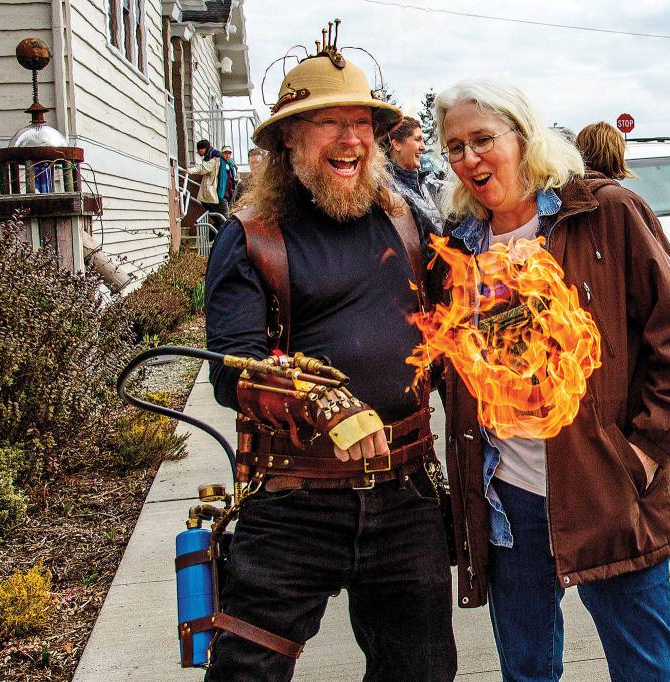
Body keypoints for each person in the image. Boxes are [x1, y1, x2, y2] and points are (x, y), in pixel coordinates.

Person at [434, 78, 670, 681]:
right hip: (507, 501)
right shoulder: (459, 246)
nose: (469, 158)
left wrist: (637, 454)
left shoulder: (604, 213)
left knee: (646, 670)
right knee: (528, 671)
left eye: (483, 139)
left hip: (606, 489)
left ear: (524, 136)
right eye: (454, 146)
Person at [203, 37, 457, 681]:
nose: (351, 140)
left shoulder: (407, 221)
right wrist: (318, 400)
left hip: (407, 494)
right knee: (245, 672)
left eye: (362, 123)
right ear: (288, 140)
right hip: (294, 498)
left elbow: (460, 321)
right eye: (328, 123)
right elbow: (233, 371)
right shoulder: (250, 236)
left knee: (421, 673)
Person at [387, 115, 443, 235]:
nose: (423, 147)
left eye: (423, 140)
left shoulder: (424, 183)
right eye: (417, 140)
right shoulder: (387, 190)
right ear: (397, 144)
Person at [188, 139, 230, 234]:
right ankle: (215, 236)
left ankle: (219, 237)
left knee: (222, 220)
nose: (198, 152)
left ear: (203, 149)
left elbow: (203, 168)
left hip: (218, 194)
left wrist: (190, 170)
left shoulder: (214, 159)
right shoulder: (218, 158)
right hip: (223, 193)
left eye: (199, 150)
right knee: (220, 219)